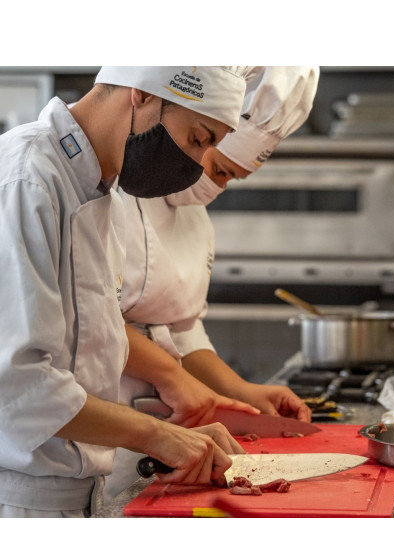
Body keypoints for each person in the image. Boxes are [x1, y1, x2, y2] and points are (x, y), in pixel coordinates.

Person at [0, 66, 260, 518]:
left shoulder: (104, 194)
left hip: (77, 494)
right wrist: (156, 435)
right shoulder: (27, 179)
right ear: (141, 94)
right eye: (197, 139)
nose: (196, 165)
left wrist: (174, 437)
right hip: (19, 501)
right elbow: (17, 385)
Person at [103, 66, 320, 503]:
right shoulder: (106, 187)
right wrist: (169, 375)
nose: (216, 187)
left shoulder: (195, 216)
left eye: (230, 178)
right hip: (100, 421)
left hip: (164, 435)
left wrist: (239, 390)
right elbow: (92, 319)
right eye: (217, 165)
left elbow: (180, 328)